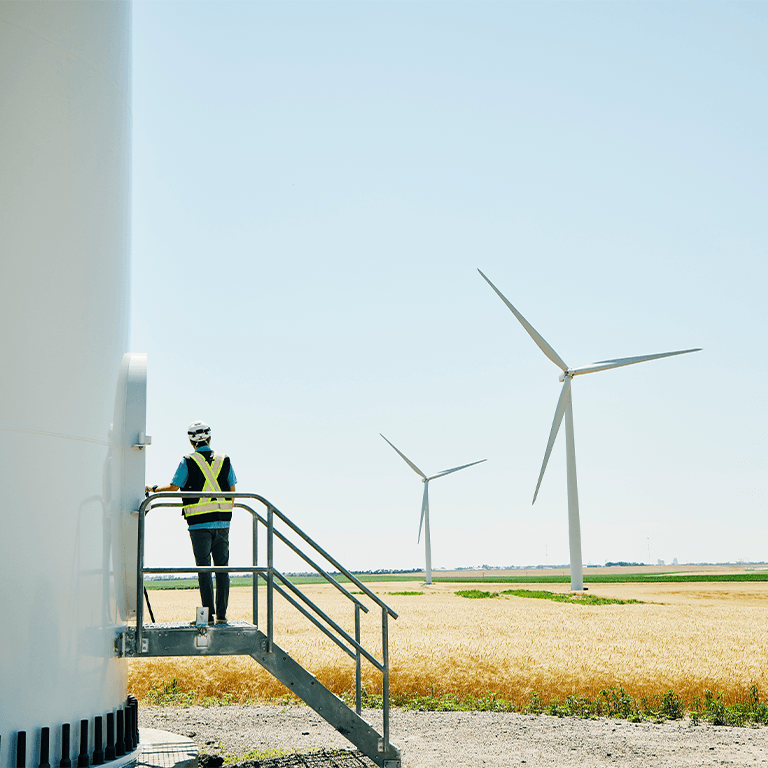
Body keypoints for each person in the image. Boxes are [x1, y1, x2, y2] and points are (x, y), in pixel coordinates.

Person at [146, 421, 237, 625]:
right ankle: (222, 616)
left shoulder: (187, 460)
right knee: (222, 569)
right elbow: (233, 492)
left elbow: (173, 487)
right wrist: (223, 514)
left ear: (190, 441)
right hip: (222, 523)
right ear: (210, 438)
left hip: (198, 525)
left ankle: (209, 617)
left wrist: (152, 489)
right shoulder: (225, 460)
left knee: (204, 569)